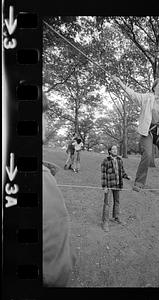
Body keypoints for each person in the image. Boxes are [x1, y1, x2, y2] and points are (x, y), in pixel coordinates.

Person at [112, 76, 159, 192]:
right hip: (147, 131)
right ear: (154, 88)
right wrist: (120, 83)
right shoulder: (146, 98)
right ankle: (139, 183)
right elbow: (132, 94)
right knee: (147, 154)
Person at [42, 93, 76, 286]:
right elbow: (56, 272)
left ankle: (70, 165)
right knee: (69, 160)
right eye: (43, 113)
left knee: (71, 160)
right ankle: (69, 166)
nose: (46, 119)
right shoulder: (43, 183)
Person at [101, 145, 131, 232]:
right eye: (113, 149)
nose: (115, 150)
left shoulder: (119, 160)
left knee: (117, 202)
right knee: (107, 203)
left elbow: (122, 172)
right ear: (109, 151)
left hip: (118, 185)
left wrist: (126, 176)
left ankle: (116, 217)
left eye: (116, 149)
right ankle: (105, 222)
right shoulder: (105, 161)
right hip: (109, 185)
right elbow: (103, 175)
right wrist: (104, 186)